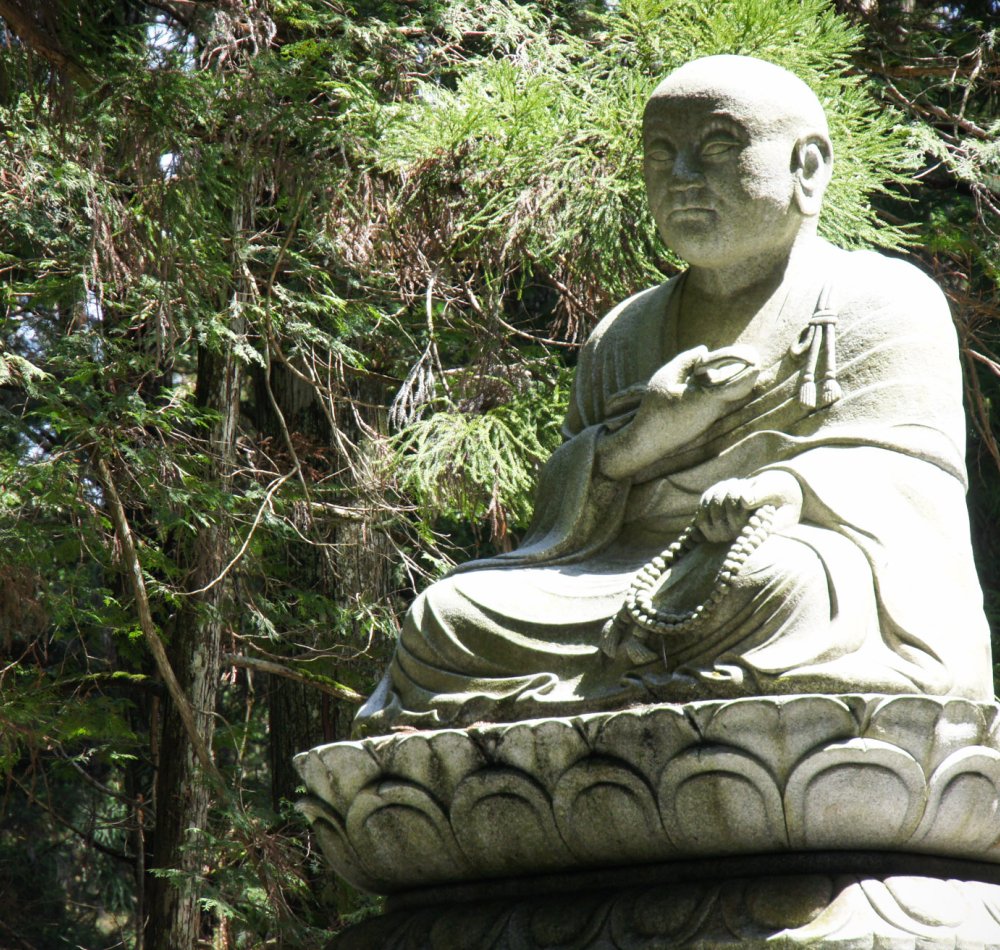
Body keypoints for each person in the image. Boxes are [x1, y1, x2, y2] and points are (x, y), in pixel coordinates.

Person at [355, 55, 993, 735]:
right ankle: (639, 694)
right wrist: (637, 443)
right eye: (662, 155)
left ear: (806, 167)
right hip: (621, 575)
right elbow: (559, 526)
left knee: (790, 586)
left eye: (718, 148)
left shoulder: (880, 298)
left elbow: (914, 478)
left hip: (778, 559)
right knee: (447, 613)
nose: (683, 178)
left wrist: (785, 489)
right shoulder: (623, 332)